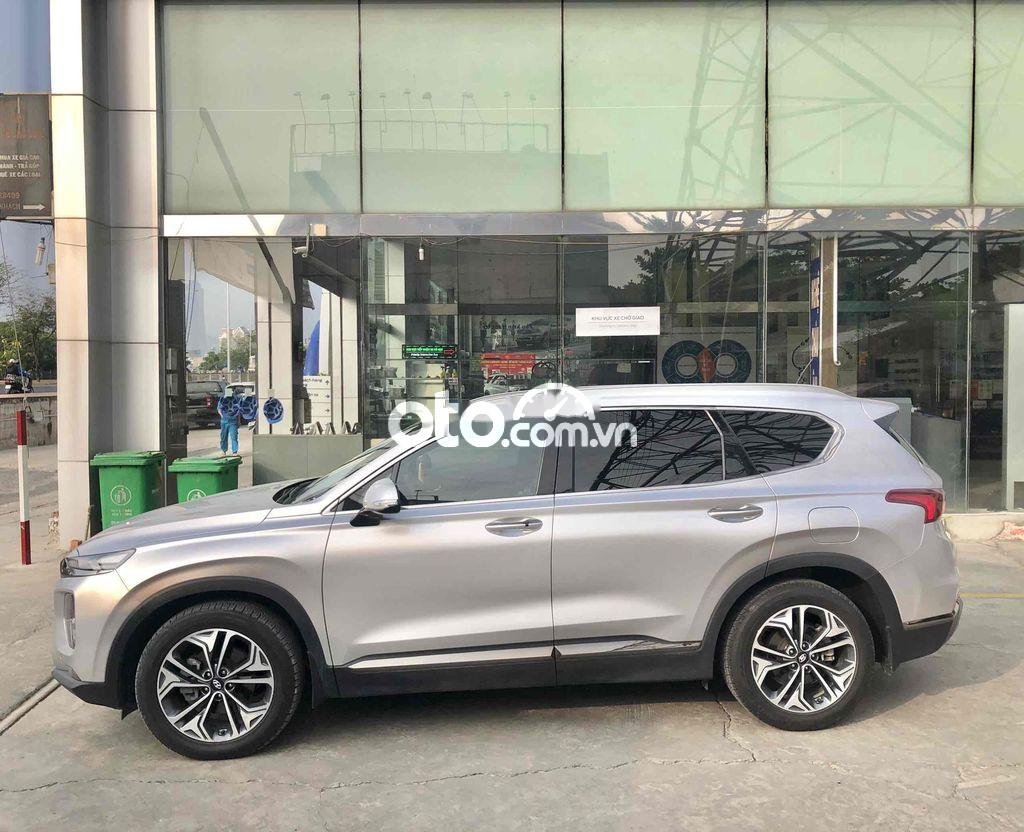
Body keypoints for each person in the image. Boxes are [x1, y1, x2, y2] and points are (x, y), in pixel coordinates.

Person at [217, 391, 239, 455]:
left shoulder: (235, 399)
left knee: (234, 436)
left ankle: (234, 452)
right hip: (224, 421)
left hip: (233, 421)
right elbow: (219, 409)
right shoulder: (222, 399)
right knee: (223, 436)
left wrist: (237, 420)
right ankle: (223, 451)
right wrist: (222, 415)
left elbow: (238, 410)